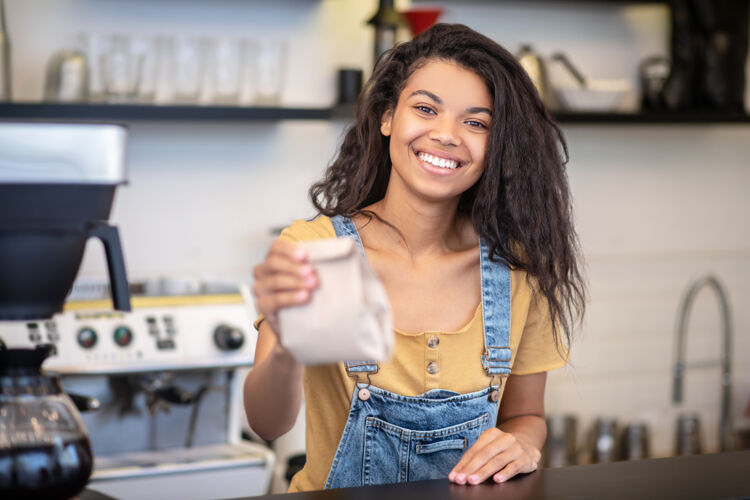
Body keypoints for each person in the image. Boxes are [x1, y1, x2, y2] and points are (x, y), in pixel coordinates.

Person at [244, 23, 586, 492]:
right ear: (388, 117)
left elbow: (525, 416)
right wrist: (286, 345)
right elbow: (266, 424)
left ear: (497, 144)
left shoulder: (518, 267)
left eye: (476, 122)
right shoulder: (315, 249)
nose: (446, 135)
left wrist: (523, 443)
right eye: (426, 109)